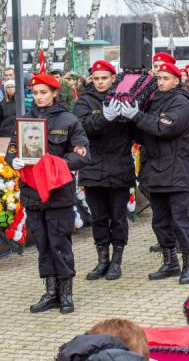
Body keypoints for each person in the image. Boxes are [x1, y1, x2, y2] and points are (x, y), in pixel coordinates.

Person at [5, 73, 89, 314]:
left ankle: (66, 293)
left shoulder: (68, 120)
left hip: (58, 192)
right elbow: (11, 151)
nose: (39, 97)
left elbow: (82, 154)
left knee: (60, 242)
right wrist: (15, 161)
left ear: (54, 93)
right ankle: (50, 291)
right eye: (35, 92)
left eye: (44, 92)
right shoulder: (24, 121)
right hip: (32, 191)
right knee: (42, 243)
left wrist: (56, 163)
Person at [127, 62, 189, 284]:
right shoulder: (154, 102)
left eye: (166, 78)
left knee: (180, 220)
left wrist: (137, 117)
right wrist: (130, 120)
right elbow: (144, 134)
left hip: (176, 169)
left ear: (177, 80)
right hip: (155, 170)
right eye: (159, 78)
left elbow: (164, 128)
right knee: (160, 221)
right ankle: (170, 263)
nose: (161, 82)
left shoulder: (180, 102)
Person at [74, 60, 135, 281]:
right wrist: (104, 117)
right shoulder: (84, 101)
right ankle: (102, 260)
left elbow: (135, 129)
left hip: (119, 166)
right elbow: (83, 126)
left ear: (112, 78)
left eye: (104, 78)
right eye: (97, 78)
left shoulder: (125, 98)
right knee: (98, 217)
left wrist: (134, 114)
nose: (100, 82)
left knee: (118, 217)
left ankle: (117, 261)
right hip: (93, 166)